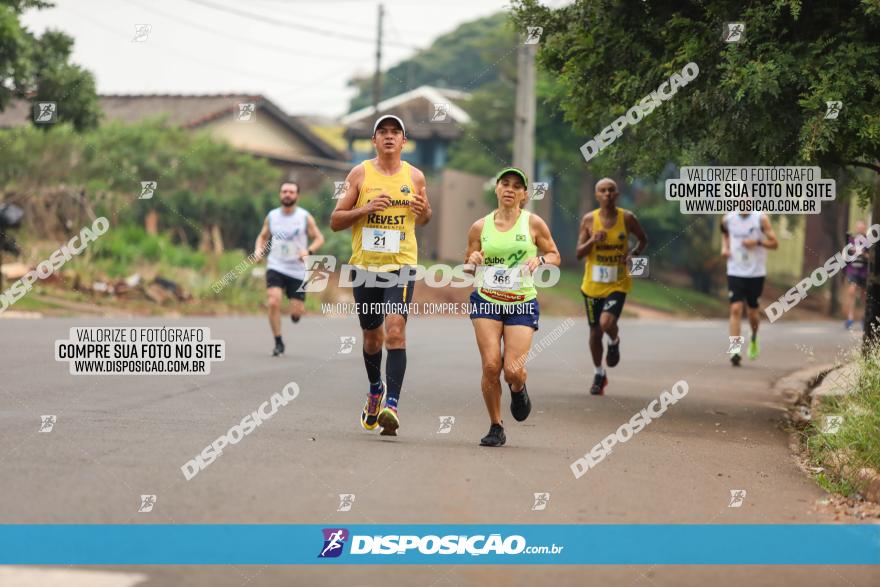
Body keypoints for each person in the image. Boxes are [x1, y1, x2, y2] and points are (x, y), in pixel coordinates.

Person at [330, 115, 431, 436]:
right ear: (374, 141)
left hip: (400, 266)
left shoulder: (415, 177)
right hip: (364, 268)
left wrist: (423, 211)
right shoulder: (359, 173)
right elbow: (335, 219)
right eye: (382, 132)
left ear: (404, 141)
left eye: (395, 132)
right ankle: (375, 390)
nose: (389, 137)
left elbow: (425, 217)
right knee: (372, 338)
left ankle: (392, 405)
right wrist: (365, 208)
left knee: (396, 331)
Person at [464, 167, 561, 447]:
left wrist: (541, 261)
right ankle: (496, 425)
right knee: (491, 365)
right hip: (486, 300)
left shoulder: (533, 224)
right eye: (504, 184)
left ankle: (518, 388)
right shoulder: (480, 227)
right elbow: (469, 265)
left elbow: (555, 254)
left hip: (521, 302)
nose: (509, 189)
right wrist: (472, 260)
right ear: (496, 189)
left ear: (524, 195)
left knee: (512, 370)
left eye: (516, 186)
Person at [576, 178, 648, 395]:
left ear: (617, 194)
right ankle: (599, 373)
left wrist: (633, 254)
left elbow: (643, 240)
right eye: (602, 191)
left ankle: (614, 341)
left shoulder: (627, 218)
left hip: (618, 282)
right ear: (597, 195)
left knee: (606, 323)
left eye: (611, 191)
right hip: (592, 285)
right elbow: (579, 253)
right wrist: (592, 242)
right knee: (595, 332)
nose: (607, 194)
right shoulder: (589, 220)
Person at [254, 182, 324, 357]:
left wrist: (308, 251)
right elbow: (262, 237)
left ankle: (296, 312)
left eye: (291, 192)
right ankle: (278, 342)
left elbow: (319, 238)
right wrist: (258, 250)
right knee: (273, 301)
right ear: (280, 194)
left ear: (297, 195)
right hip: (276, 265)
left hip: (297, 269)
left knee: (296, 311)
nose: (287, 194)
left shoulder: (304, 217)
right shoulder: (272, 216)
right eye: (284, 191)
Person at [720, 211, 778, 366]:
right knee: (736, 308)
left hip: (755, 273)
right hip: (735, 270)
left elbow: (775, 243)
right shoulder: (727, 219)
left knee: (753, 312)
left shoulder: (761, 219)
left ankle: (753, 337)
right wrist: (725, 248)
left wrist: (757, 243)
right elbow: (725, 235)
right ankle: (735, 350)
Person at [843, 220, 869, 330]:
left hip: (863, 271)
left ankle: (864, 318)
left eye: (862, 227)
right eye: (858, 227)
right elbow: (845, 255)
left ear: (865, 229)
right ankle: (850, 318)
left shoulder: (868, 242)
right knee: (851, 291)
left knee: (863, 296)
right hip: (852, 270)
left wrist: (863, 253)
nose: (860, 229)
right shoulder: (850, 240)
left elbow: (871, 256)